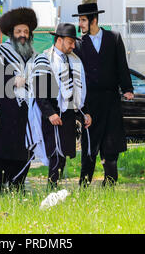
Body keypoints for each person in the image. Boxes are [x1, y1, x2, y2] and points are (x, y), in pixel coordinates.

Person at [73, 3, 134, 187]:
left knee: (111, 147)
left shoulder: (113, 38)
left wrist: (127, 89)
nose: (80, 24)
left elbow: (122, 65)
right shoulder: (78, 44)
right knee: (89, 147)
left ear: (94, 20)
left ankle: (110, 185)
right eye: (80, 20)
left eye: (83, 20)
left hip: (111, 102)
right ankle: (83, 186)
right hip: (90, 103)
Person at [30, 23, 92, 189]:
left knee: (63, 154)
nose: (73, 46)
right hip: (53, 113)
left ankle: (55, 188)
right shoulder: (44, 59)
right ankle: (52, 189)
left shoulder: (74, 60)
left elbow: (79, 90)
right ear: (59, 40)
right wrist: (50, 113)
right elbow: (39, 90)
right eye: (70, 42)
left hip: (69, 115)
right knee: (55, 155)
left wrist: (85, 113)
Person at [0, 7, 38, 193]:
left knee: (25, 149)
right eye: (19, 31)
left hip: (27, 113)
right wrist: (12, 80)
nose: (22, 35)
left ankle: (19, 183)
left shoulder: (34, 56)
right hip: (5, 112)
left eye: (25, 32)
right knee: (3, 150)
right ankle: (0, 183)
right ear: (11, 33)